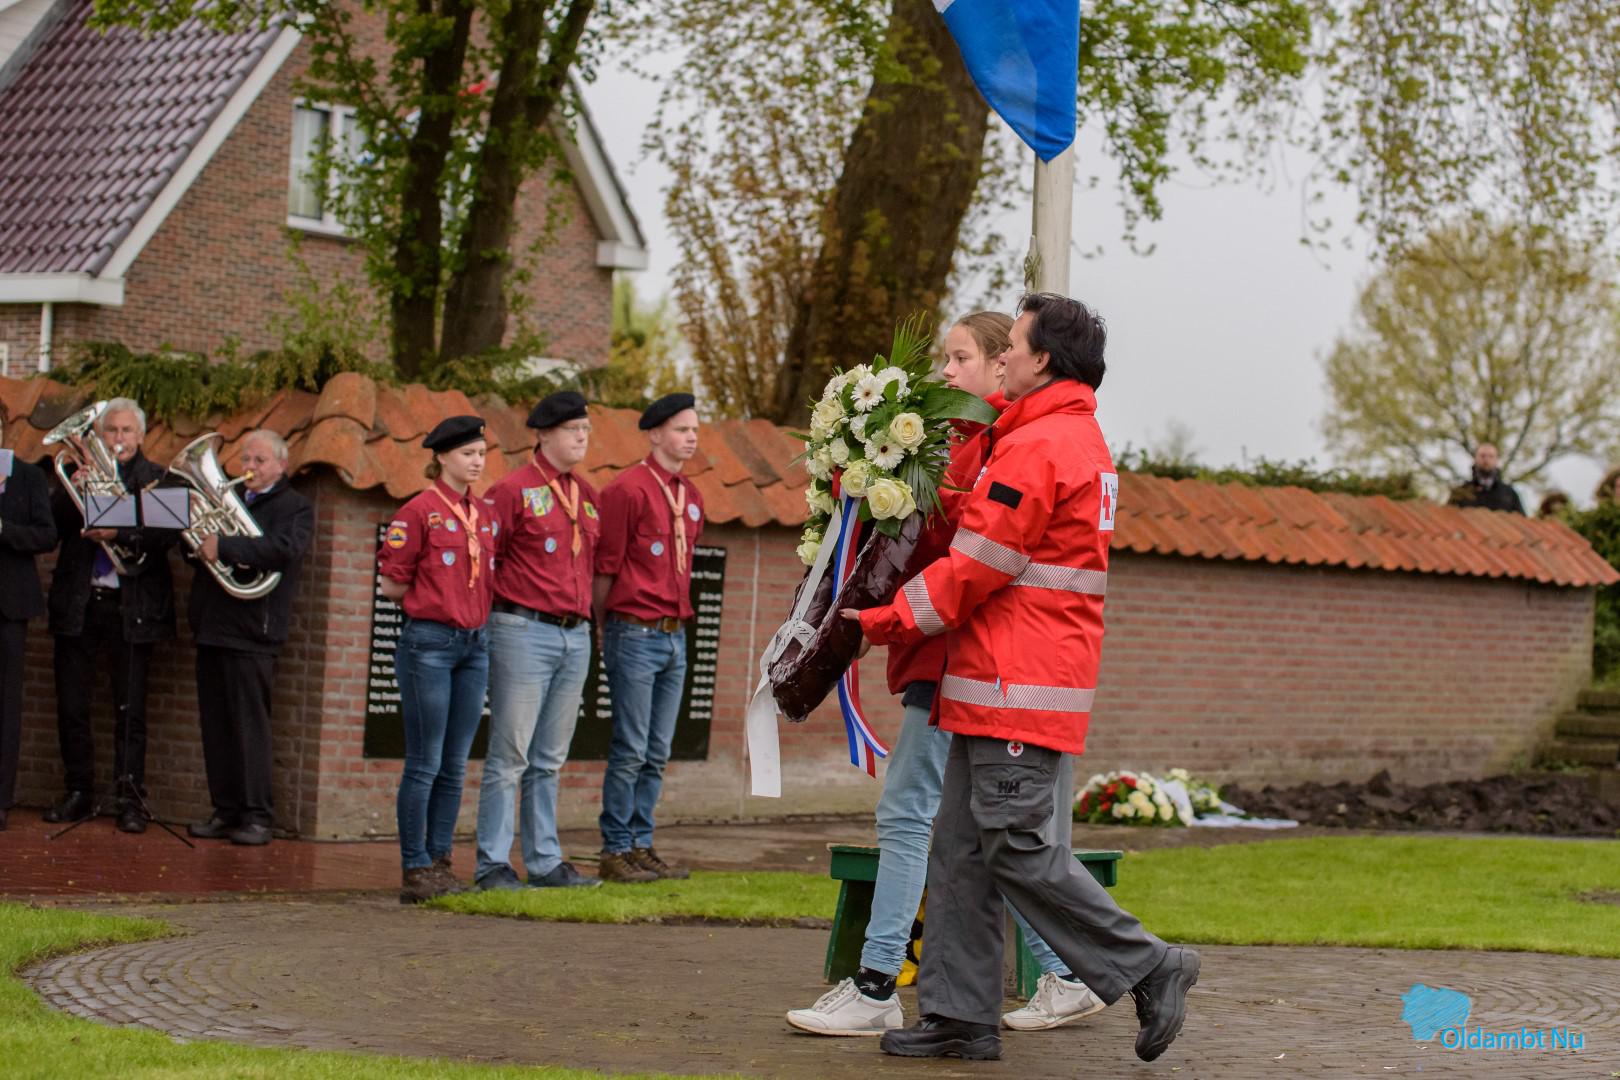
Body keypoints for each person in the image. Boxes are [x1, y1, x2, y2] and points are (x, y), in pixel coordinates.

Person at [846, 294, 1200, 1064]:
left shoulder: (1042, 445)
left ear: (1043, 360)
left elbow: (978, 566)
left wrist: (882, 620)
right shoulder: (1046, 436)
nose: (1002, 354)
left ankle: (1149, 966)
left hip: (1015, 684)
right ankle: (958, 1015)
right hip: (996, 683)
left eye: (1013, 344)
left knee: (1015, 846)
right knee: (961, 852)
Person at [786, 314, 1102, 1039]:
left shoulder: (990, 443)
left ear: (1003, 367)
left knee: (912, 814)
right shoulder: (972, 441)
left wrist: (882, 593)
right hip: (951, 654)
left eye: (962, 358)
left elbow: (959, 549)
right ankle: (1062, 973)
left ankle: (878, 984)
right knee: (981, 836)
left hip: (958, 655)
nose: (947, 372)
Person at [473, 392, 601, 891]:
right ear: (544, 434)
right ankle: (492, 863)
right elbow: (489, 560)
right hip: (523, 629)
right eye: (572, 429)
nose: (582, 437)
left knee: (549, 758)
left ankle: (545, 861)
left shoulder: (586, 494)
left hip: (575, 633)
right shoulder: (511, 490)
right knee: (511, 755)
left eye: (586, 429)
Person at [43, 398, 177, 833]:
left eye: (126, 431)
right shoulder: (80, 474)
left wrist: (119, 530)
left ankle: (129, 799)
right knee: (72, 705)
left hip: (132, 608)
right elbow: (51, 527)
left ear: (141, 436)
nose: (118, 439)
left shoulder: (158, 479)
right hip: (80, 603)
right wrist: (74, 491)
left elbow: (167, 535)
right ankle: (78, 790)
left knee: (130, 710)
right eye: (110, 431)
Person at [379, 416, 496, 903]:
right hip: (429, 642)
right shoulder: (417, 512)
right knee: (425, 761)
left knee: (454, 762)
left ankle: (441, 860)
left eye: (482, 453)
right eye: (468, 453)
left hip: (475, 644)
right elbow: (392, 584)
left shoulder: (484, 514)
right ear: (442, 457)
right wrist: (433, 601)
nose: (477, 461)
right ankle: (415, 866)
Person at [592, 392, 703, 883]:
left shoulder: (691, 495)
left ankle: (641, 842)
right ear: (655, 434)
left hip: (675, 635)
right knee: (631, 747)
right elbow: (606, 568)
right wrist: (604, 626)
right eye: (681, 429)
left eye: (694, 429)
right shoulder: (627, 490)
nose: (691, 437)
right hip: (634, 631)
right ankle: (616, 847)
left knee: (657, 751)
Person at [187, 429, 313, 846]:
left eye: (260, 461)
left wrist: (223, 546)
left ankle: (258, 815)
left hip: (255, 630)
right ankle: (225, 810)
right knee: (216, 727)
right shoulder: (230, 498)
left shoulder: (295, 507)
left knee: (249, 727)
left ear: (282, 465)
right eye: (246, 459)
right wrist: (197, 539)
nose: (250, 468)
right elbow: (199, 550)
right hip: (213, 625)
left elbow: (282, 549)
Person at [0, 419, 58, 832]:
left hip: (9, 606)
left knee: (5, 705)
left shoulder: (28, 477)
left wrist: (4, 529)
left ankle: (0, 798)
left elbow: (46, 536)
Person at [1447, 444, 1524, 514]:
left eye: (1491, 456)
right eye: (1482, 456)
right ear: (1475, 458)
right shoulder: (1462, 492)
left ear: (1496, 460)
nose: (1486, 459)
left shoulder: (1509, 494)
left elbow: (1521, 521)